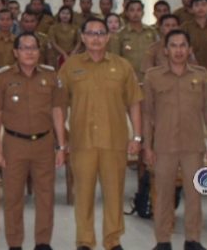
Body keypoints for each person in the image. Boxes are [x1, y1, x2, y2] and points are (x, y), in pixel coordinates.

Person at [58, 17, 142, 250]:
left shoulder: (122, 66)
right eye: (91, 33)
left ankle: (113, 240)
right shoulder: (70, 66)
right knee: (83, 194)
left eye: (100, 33)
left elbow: (134, 102)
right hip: (82, 141)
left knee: (114, 193)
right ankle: (84, 241)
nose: (96, 38)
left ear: (108, 37)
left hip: (114, 141)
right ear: (82, 37)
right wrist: (62, 139)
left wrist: (137, 137)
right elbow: (59, 105)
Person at [142, 30, 207, 250]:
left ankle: (192, 239)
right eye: (173, 45)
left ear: (190, 49)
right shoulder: (153, 76)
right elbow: (147, 114)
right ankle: (163, 241)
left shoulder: (201, 75)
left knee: (194, 195)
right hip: (163, 146)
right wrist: (147, 146)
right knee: (163, 195)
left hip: (193, 146)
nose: (178, 50)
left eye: (183, 45)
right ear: (165, 50)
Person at [0, 32, 66, 250]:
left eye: (34, 48)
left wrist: (61, 146)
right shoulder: (2, 78)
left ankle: (43, 242)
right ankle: (15, 244)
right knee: (13, 197)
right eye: (24, 48)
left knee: (46, 196)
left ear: (39, 51)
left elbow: (57, 111)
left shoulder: (50, 76)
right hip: (14, 144)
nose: (29, 52)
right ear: (15, 52)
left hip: (44, 143)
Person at [109, 0, 158, 79]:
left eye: (138, 10)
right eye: (132, 10)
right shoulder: (119, 35)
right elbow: (115, 58)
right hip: (128, 77)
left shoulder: (152, 32)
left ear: (143, 13)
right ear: (127, 13)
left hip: (149, 77)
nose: (135, 13)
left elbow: (158, 55)